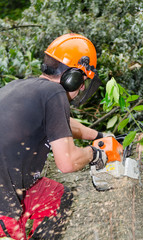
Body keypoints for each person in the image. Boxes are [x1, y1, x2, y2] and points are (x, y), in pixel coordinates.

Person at [0, 33, 108, 240]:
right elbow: (67, 163)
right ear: (73, 77)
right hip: (3, 201)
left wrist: (100, 135)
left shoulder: (20, 87)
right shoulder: (54, 93)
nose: (82, 87)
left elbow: (63, 124)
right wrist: (94, 153)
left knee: (57, 197)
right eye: (83, 81)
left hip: (10, 184)